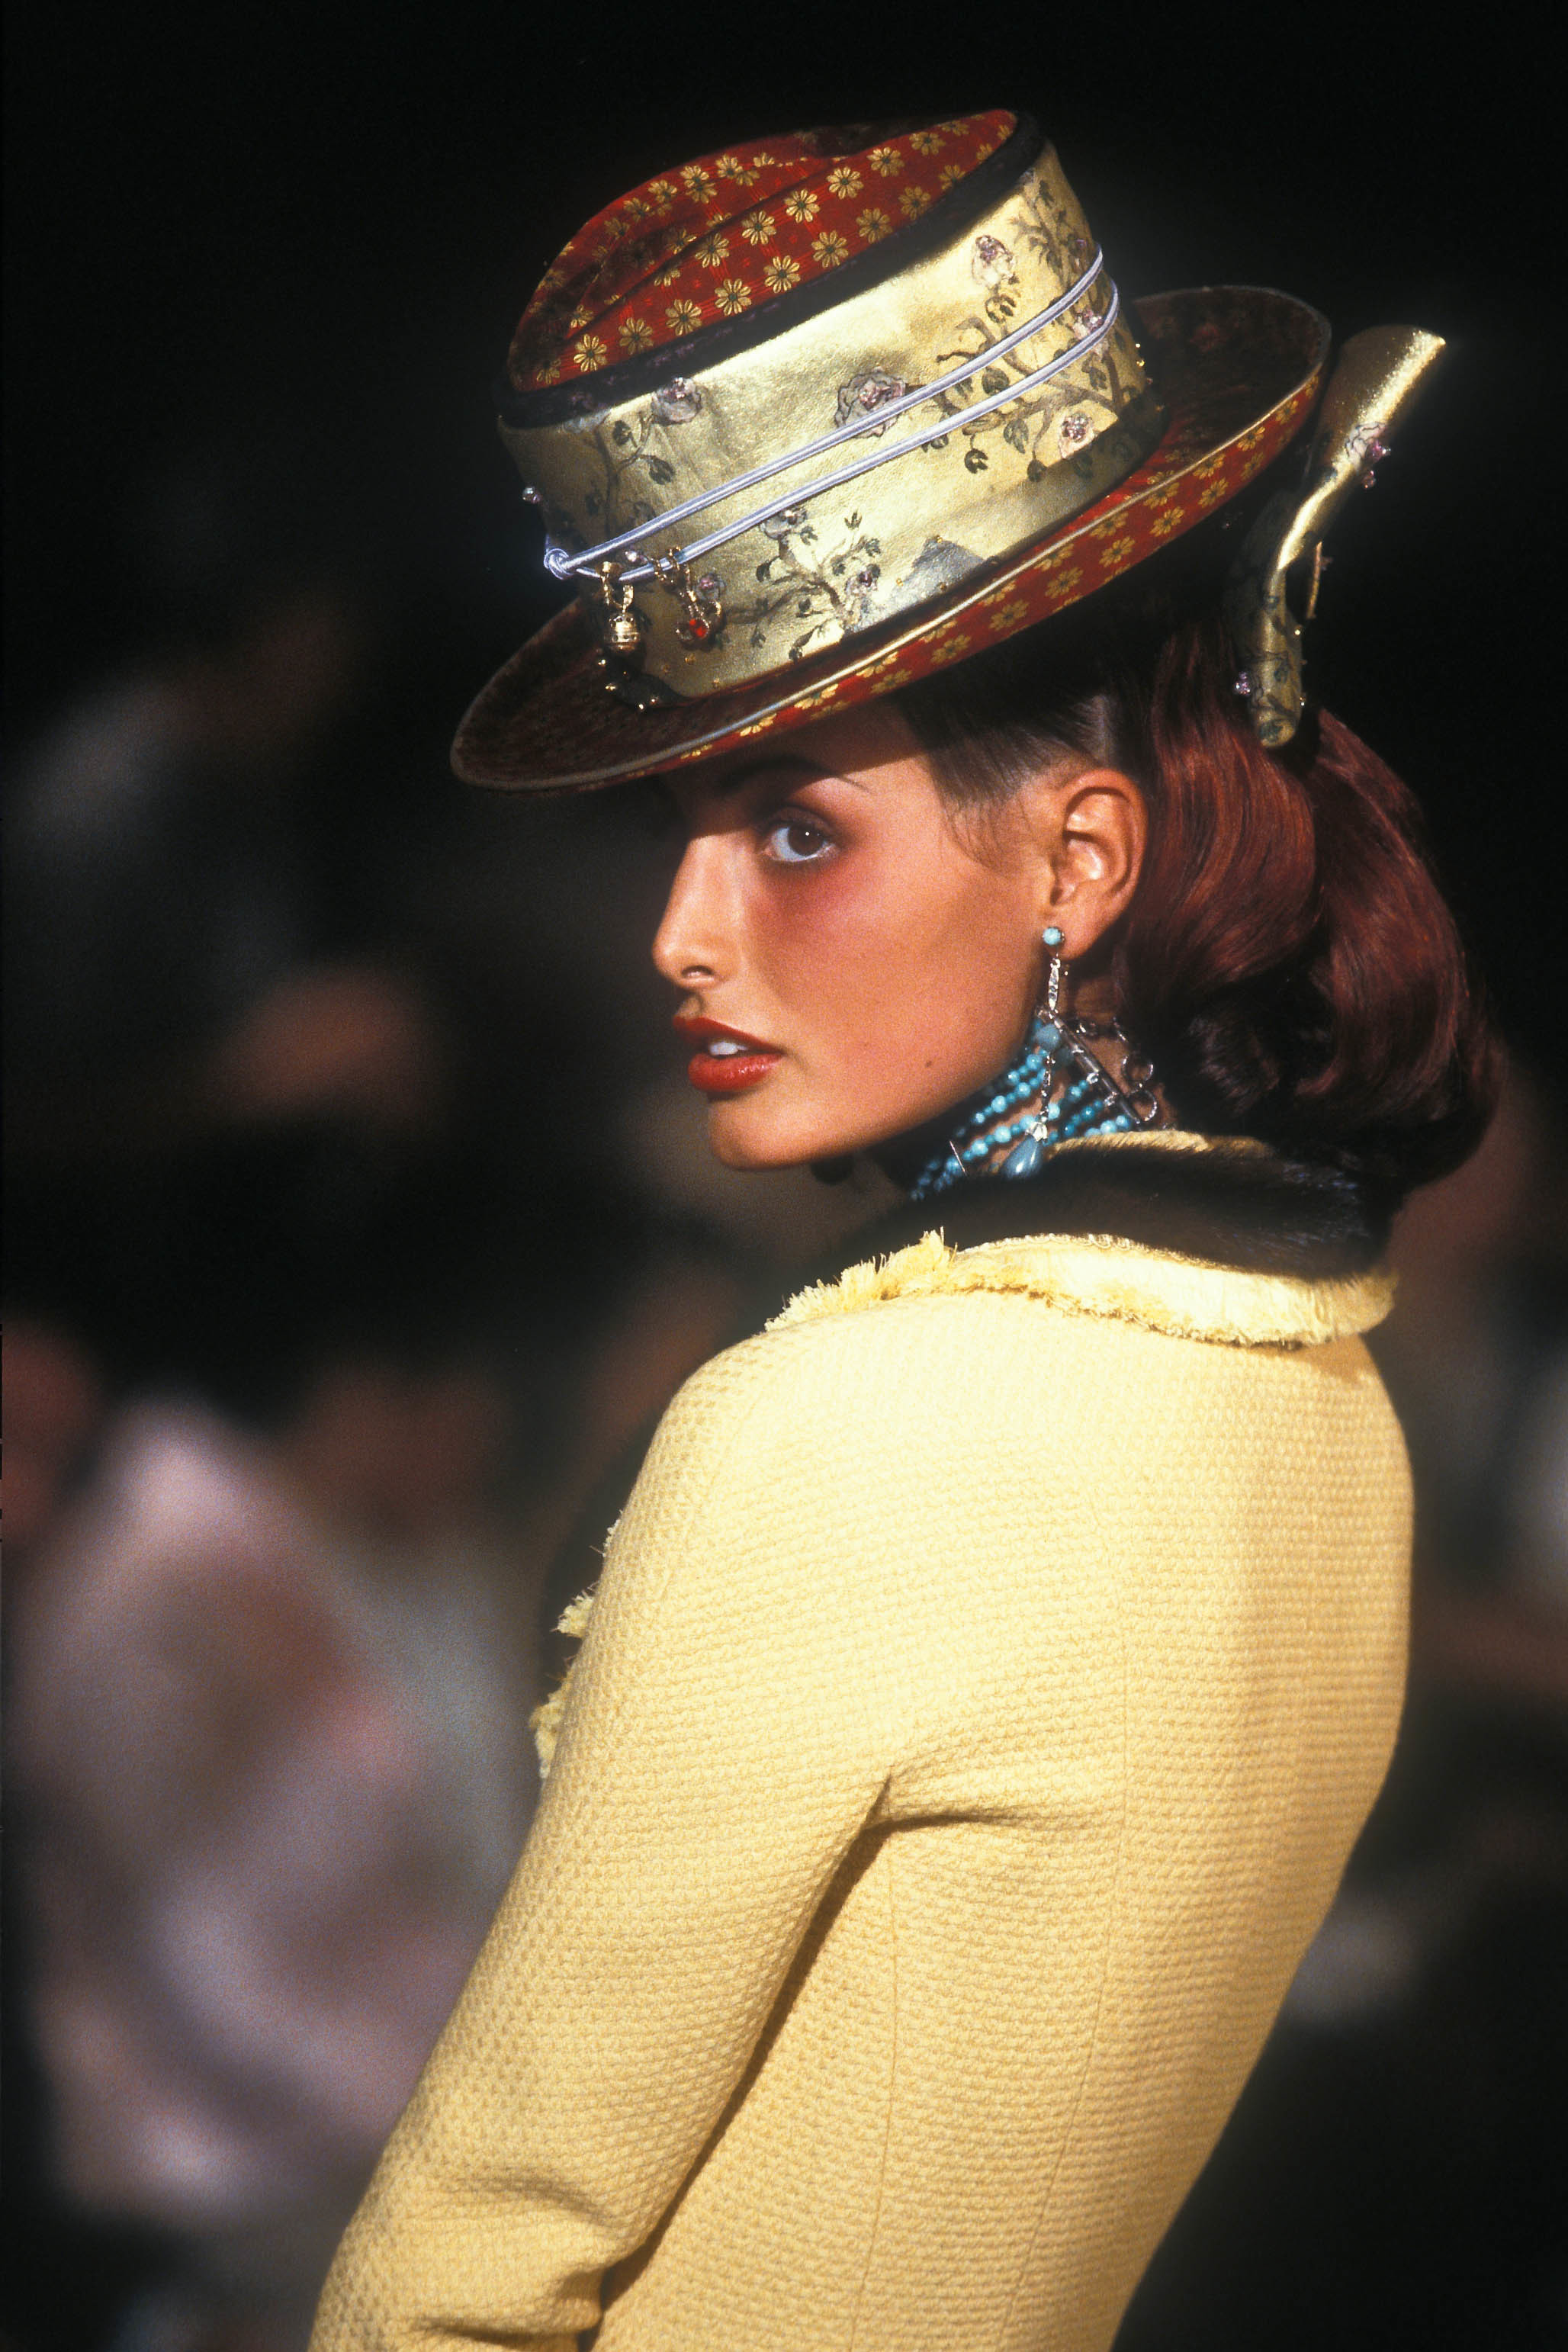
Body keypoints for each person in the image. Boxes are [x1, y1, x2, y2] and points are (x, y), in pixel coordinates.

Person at [310, 108, 1493, 2350]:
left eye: (792, 833)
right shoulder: (1325, 1401)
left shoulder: (845, 1429)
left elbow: (472, 2260)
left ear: (1079, 859)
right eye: (681, 832)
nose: (678, 933)